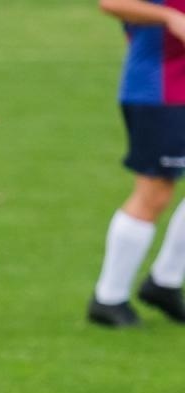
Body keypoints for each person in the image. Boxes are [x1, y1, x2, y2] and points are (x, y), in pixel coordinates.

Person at [89, 0, 185, 326]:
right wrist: (168, 16)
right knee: (155, 192)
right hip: (160, 92)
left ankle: (165, 283)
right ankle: (109, 298)